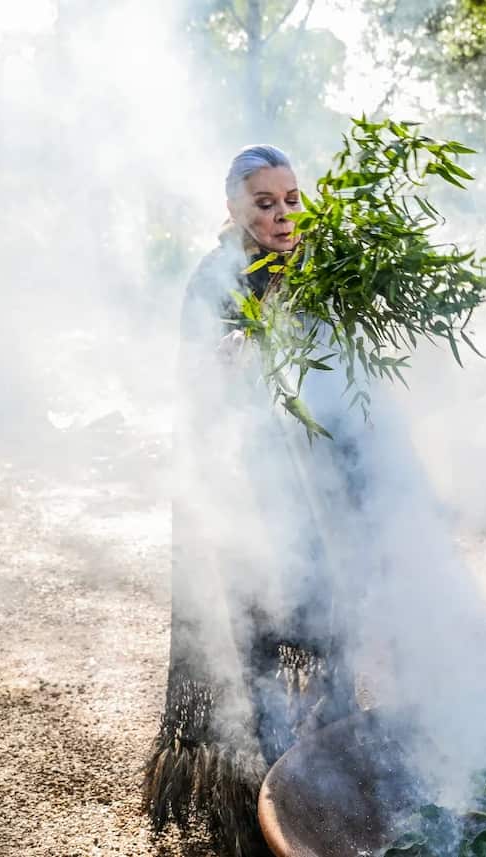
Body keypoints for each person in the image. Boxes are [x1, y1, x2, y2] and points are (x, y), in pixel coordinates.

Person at [143, 145, 361, 857]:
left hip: (310, 485)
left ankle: (334, 784)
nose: (282, 214)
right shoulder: (216, 280)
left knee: (336, 622)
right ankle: (264, 810)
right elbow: (205, 393)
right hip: (243, 493)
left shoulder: (317, 270)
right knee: (264, 634)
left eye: (291, 198)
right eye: (264, 202)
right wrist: (238, 365)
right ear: (235, 209)